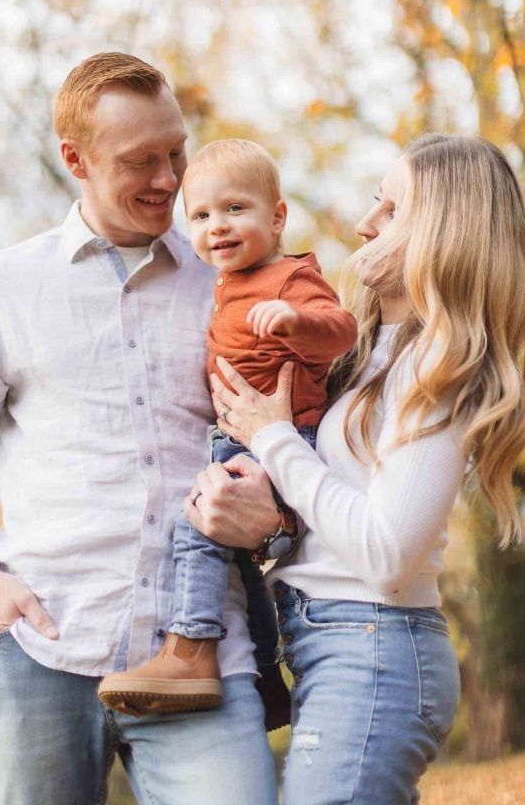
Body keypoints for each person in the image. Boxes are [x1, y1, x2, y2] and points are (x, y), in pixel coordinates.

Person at [0, 53, 278, 805]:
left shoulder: (230, 283)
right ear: (75, 159)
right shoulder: (10, 287)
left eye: (176, 152)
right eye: (141, 161)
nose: (171, 179)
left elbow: (289, 441)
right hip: (41, 649)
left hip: (199, 653)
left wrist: (271, 513)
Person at [185, 134, 525, 805]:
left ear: (443, 234)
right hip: (328, 642)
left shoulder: (438, 367)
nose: (366, 223)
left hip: (372, 648)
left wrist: (276, 439)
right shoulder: (366, 355)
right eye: (376, 200)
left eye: (392, 210)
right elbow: (329, 516)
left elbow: (387, 552)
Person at [98, 139, 357, 723]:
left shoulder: (289, 279)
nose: (217, 226)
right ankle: (267, 675)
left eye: (235, 209)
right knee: (239, 565)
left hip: (287, 440)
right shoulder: (225, 280)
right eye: (201, 215)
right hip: (241, 437)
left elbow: (342, 331)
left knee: (197, 525)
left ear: (278, 217)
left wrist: (296, 322)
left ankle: (189, 647)